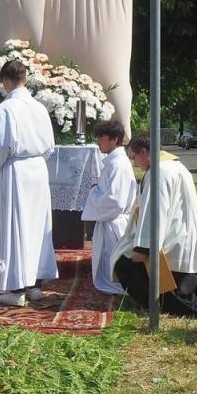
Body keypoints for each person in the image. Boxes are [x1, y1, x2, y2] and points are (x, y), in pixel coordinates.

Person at [113, 134, 197, 316]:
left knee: (126, 264)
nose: (134, 163)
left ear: (144, 152)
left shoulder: (159, 172)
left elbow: (156, 211)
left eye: (133, 157)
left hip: (176, 239)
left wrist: (144, 247)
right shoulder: (175, 165)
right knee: (191, 288)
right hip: (183, 235)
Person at [0, 59, 57, 306]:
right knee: (36, 225)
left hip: (16, 169)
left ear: (5, 81)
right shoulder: (39, 108)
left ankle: (16, 289)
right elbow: (49, 145)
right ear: (24, 79)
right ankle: (34, 284)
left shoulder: (5, 109)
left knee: (16, 226)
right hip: (37, 168)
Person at [82, 118, 136, 297]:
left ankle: (122, 286)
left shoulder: (117, 164)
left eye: (102, 138)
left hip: (114, 222)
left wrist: (93, 193)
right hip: (111, 220)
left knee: (112, 264)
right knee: (107, 263)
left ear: (114, 139)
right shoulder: (113, 162)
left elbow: (115, 201)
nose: (98, 142)